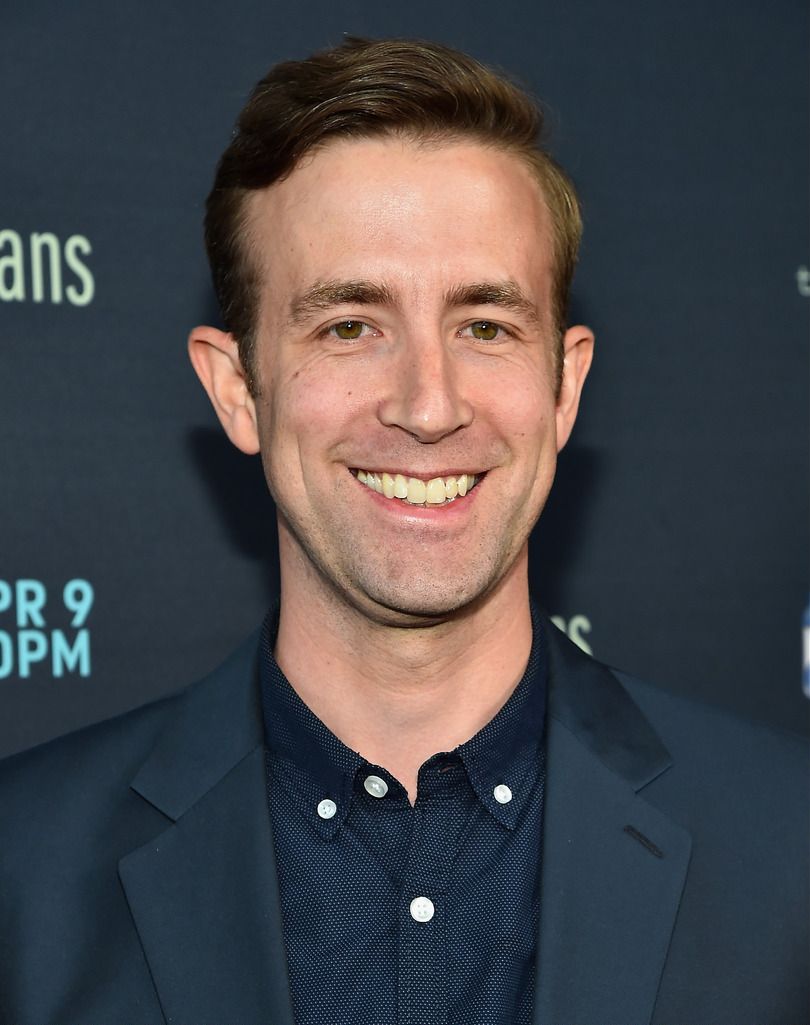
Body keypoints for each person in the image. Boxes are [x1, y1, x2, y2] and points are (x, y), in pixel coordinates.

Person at [0, 37, 806, 1025]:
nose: (429, 406)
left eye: (486, 325)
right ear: (237, 390)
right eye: (350, 324)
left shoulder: (787, 849)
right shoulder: (22, 876)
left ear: (567, 383)